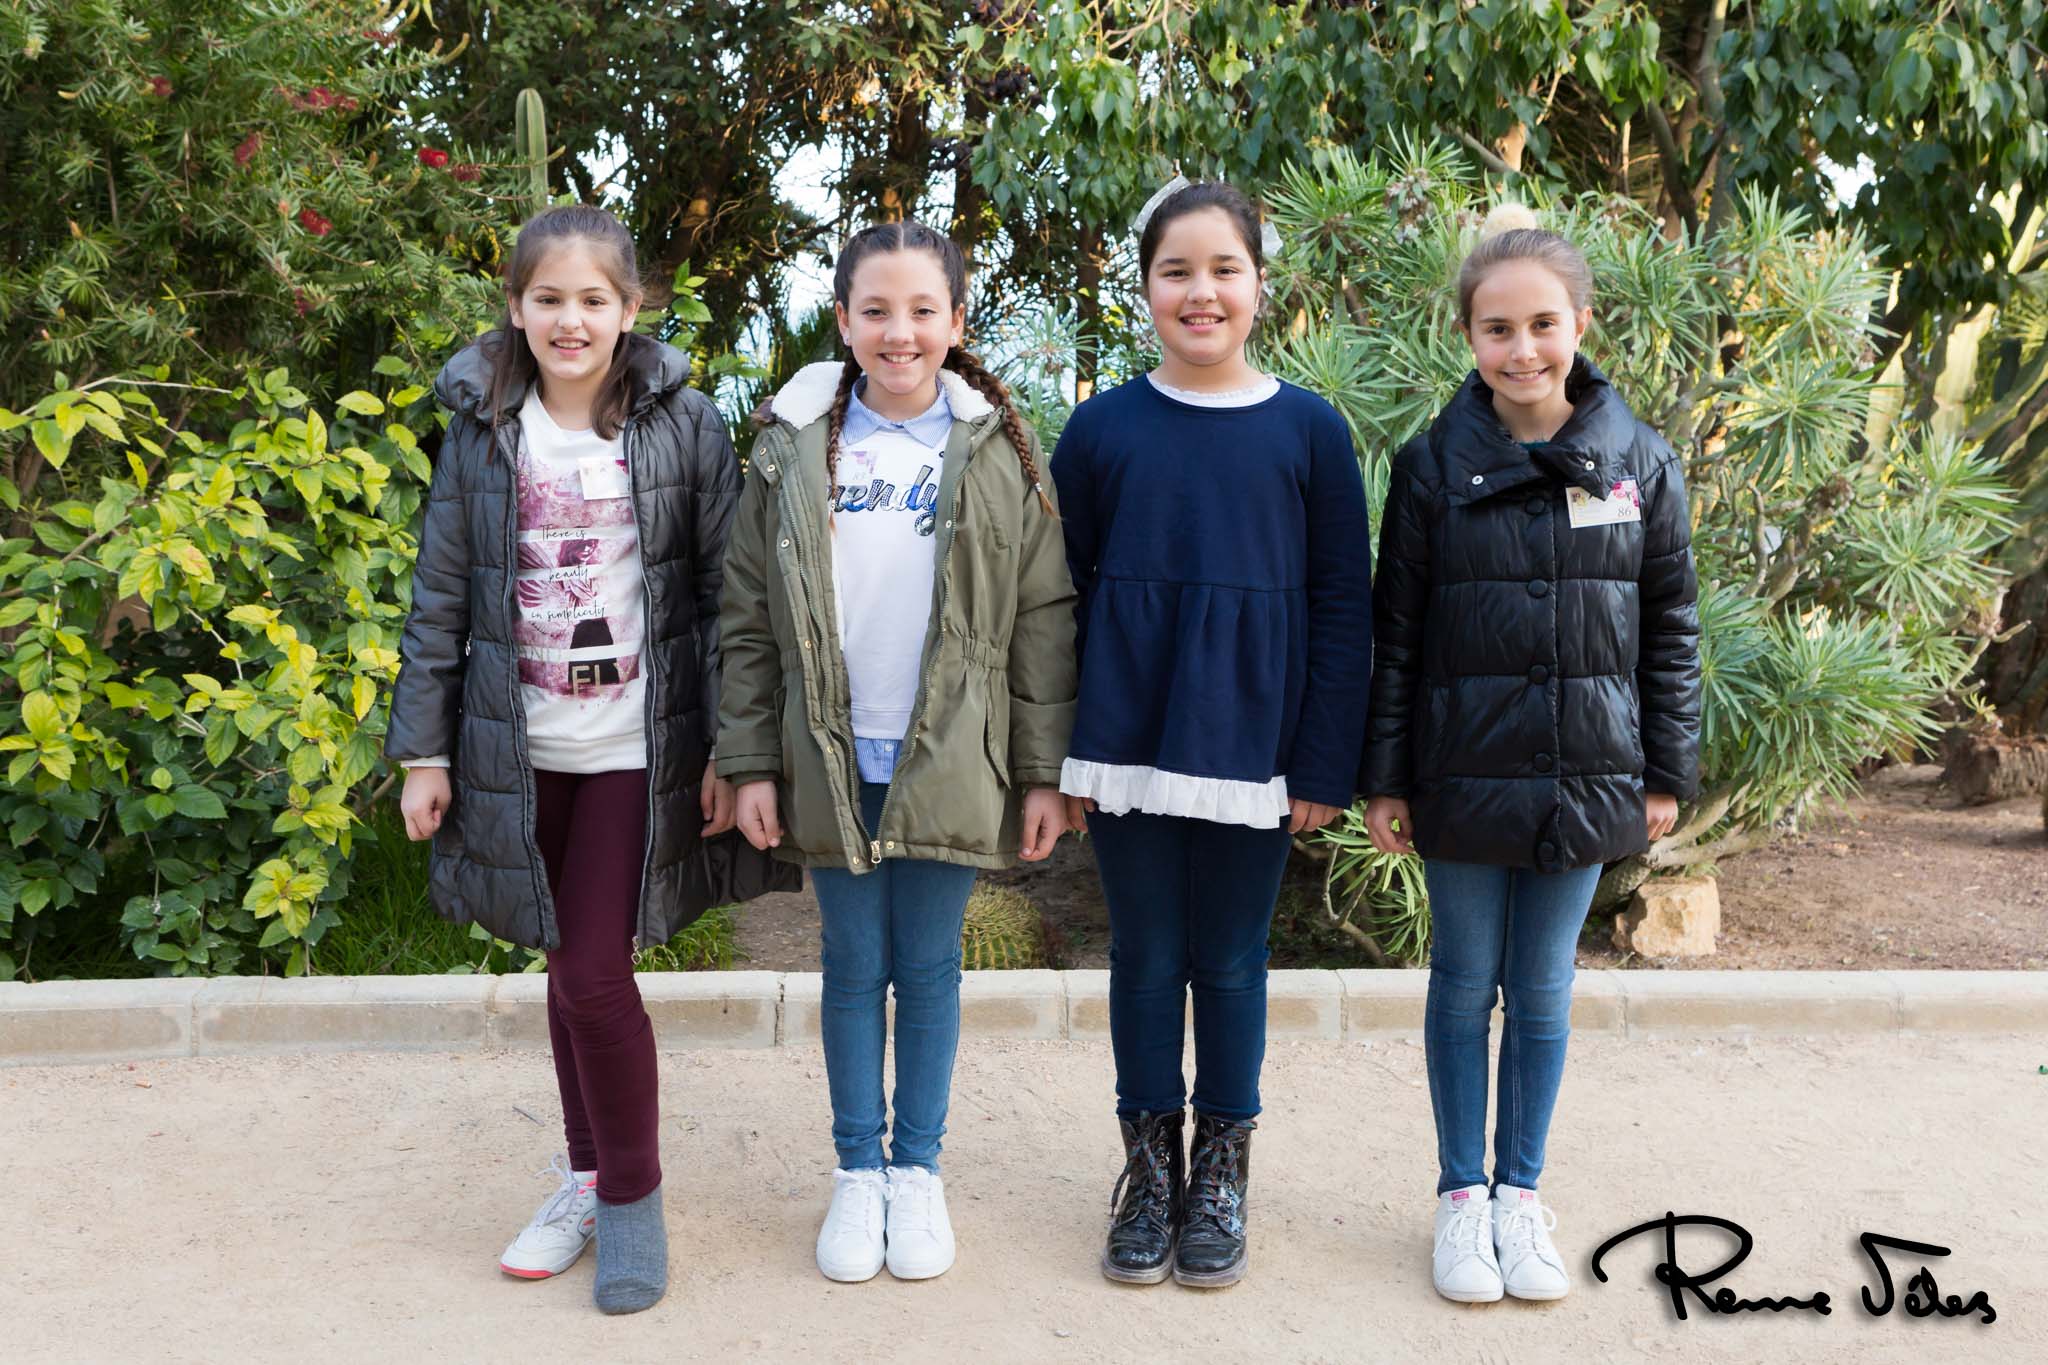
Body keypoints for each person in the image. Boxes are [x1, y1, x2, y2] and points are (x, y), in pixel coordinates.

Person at [387, 203, 796, 1314]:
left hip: (632, 751)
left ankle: (631, 1200)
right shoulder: (480, 430)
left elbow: (729, 598)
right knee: (562, 962)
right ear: (516, 308)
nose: (570, 320)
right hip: (517, 751)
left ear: (630, 308)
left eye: (593, 299)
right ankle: (583, 1175)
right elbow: (439, 602)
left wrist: (734, 746)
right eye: (549, 298)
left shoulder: (682, 425)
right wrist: (423, 752)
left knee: (592, 976)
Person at [716, 220, 1075, 1284]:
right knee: (849, 965)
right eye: (875, 310)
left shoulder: (998, 448)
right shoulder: (790, 445)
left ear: (957, 322)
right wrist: (749, 761)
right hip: (829, 751)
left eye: (923, 310)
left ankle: (915, 1169)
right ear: (843, 320)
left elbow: (1042, 616)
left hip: (953, 753)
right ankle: (855, 1171)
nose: (899, 331)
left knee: (925, 968)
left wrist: (1043, 772)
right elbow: (747, 616)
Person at [1361, 203, 1701, 1304]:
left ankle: (1520, 1194)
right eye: (1496, 329)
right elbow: (1397, 633)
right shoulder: (1429, 468)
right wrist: (1385, 776)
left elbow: (1670, 626)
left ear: (1580, 324)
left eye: (1542, 325)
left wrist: (1665, 770)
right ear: (1467, 335)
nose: (1521, 350)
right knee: (1465, 984)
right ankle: (1461, 1197)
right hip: (1459, 773)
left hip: (1587, 770)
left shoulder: (1638, 462)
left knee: (1544, 990)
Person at [1052, 179, 1375, 1288]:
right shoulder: (1101, 427)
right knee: (1145, 955)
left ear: (1258, 285)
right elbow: (1060, 597)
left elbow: (1341, 605)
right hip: (1125, 734)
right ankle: (1150, 1171)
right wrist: (1063, 756)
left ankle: (1222, 1172)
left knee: (1232, 960)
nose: (1201, 292)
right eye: (1175, 271)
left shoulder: (1309, 430)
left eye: (1223, 269)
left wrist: (1322, 760)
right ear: (1144, 287)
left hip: (1256, 746)